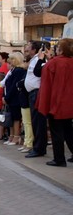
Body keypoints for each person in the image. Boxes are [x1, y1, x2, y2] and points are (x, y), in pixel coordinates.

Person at [36, 38, 73, 167]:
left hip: (56, 103)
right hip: (69, 104)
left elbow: (46, 87)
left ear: (61, 49)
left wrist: (43, 105)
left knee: (56, 132)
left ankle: (59, 159)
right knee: (69, 131)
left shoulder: (53, 63)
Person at [24, 41, 49, 159]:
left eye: (28, 47)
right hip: (32, 93)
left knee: (38, 122)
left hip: (37, 93)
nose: (26, 49)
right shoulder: (34, 59)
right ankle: (37, 147)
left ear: (35, 50)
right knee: (35, 122)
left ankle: (39, 148)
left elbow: (39, 73)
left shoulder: (40, 60)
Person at [2, 52, 27, 146]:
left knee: (16, 118)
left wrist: (7, 97)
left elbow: (13, 86)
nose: (10, 61)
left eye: (12, 59)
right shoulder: (14, 70)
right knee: (12, 118)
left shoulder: (18, 70)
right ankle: (11, 135)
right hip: (11, 98)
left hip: (15, 98)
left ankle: (16, 137)